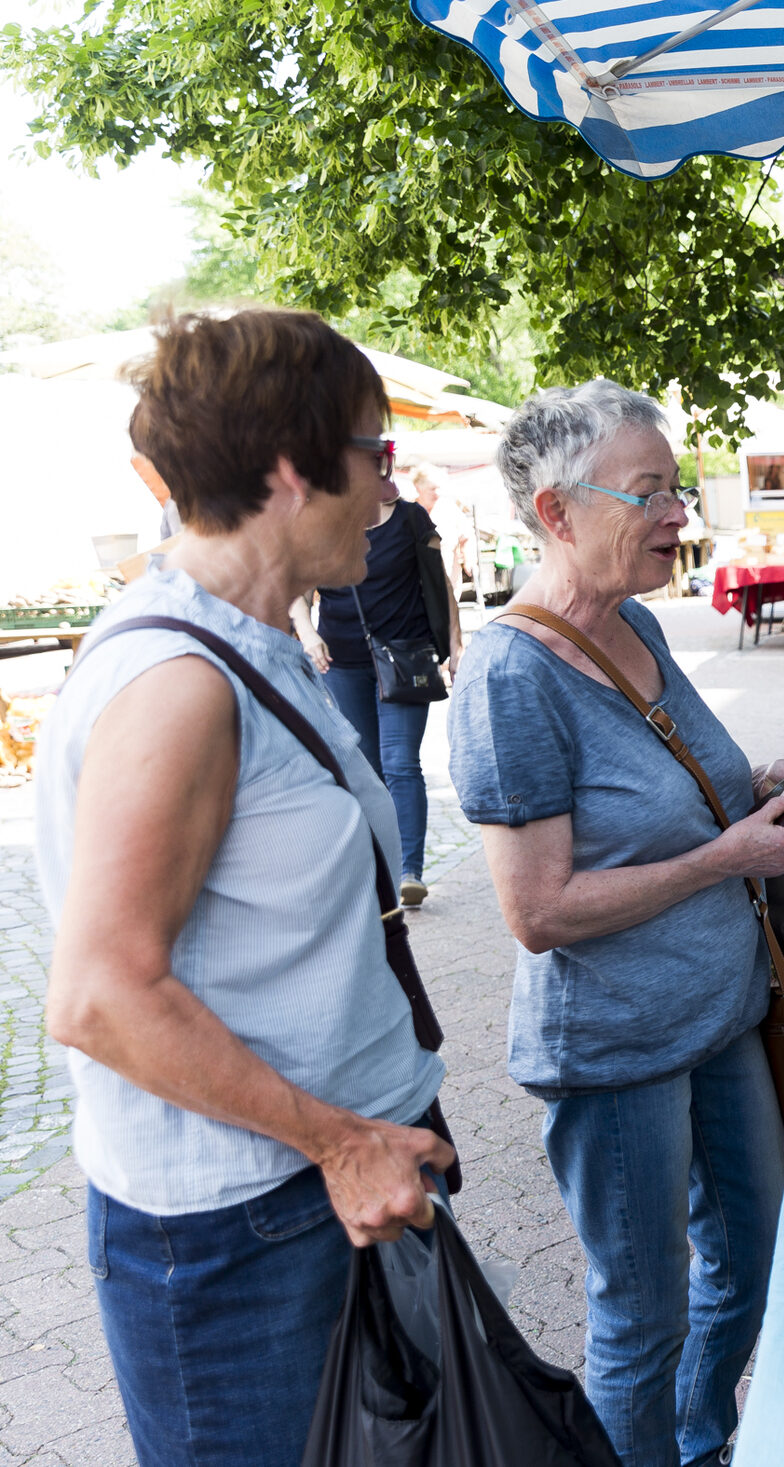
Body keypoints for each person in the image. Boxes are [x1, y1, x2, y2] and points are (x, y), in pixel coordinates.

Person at [35, 310, 452, 1467]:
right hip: (252, 1228)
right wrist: (337, 1144)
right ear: (288, 467)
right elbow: (100, 1000)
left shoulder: (259, 639)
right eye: (376, 451)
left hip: (328, 1192)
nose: (387, 486)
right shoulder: (175, 679)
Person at [449, 379, 784, 1467]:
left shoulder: (642, 625)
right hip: (614, 1049)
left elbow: (675, 787)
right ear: (556, 513)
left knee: (754, 1260)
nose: (678, 515)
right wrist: (728, 857)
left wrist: (757, 786)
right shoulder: (509, 675)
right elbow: (537, 911)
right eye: (649, 493)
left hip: (720, 1015)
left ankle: (699, 1437)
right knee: (641, 1316)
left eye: (678, 489)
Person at [292, 462, 463, 908]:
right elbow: (295, 588)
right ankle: (379, 871)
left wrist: (456, 643)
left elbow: (438, 582)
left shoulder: (411, 519)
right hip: (342, 663)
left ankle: (409, 871)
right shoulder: (319, 525)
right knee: (365, 768)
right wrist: (308, 632)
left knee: (400, 762)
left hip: (406, 659)